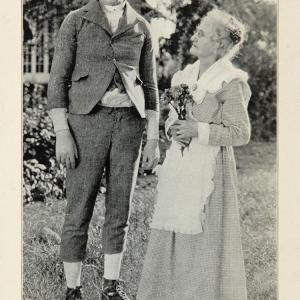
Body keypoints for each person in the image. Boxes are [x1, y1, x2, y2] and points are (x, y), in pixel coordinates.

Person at [47, 0, 160, 299]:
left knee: (119, 208)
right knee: (78, 208)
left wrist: (152, 138)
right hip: (85, 123)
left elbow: (150, 85)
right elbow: (58, 79)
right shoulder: (76, 20)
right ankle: (73, 289)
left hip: (129, 125)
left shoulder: (140, 25)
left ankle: (111, 288)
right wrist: (62, 132)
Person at [137, 8, 251, 300]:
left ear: (220, 45)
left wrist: (197, 130)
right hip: (180, 167)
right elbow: (174, 120)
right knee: (173, 228)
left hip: (210, 172)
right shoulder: (184, 76)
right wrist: (173, 127)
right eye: (198, 31)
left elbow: (240, 132)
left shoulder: (230, 80)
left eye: (202, 33)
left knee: (203, 237)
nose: (195, 36)